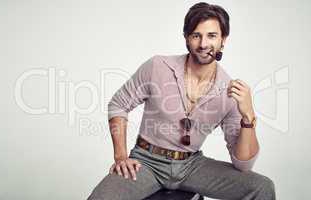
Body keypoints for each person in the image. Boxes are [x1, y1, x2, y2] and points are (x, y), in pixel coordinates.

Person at [87, 2, 276, 200]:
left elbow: (243, 164)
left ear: (223, 40)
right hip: (146, 162)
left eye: (211, 35)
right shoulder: (158, 66)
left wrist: (248, 115)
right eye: (196, 35)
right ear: (187, 38)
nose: (203, 44)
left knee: (261, 187)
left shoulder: (230, 91)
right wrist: (121, 157)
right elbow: (119, 104)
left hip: (191, 166)